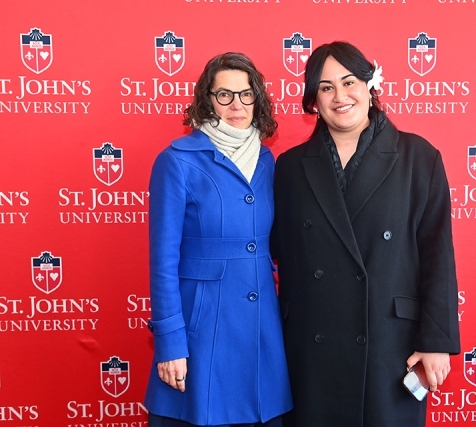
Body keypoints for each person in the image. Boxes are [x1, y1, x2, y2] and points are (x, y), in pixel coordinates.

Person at [271, 42, 460, 427]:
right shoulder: (290, 167)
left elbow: (438, 257)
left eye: (349, 82)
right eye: (326, 87)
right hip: (312, 346)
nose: (340, 96)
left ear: (370, 85)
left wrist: (436, 341)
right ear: (314, 100)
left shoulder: (419, 158)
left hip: (390, 344)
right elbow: (279, 253)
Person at [145, 52, 293, 427]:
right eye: (224, 95)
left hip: (261, 328)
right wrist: (170, 342)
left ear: (257, 98)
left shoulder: (267, 161)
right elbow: (163, 260)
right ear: (207, 100)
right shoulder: (176, 161)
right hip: (203, 329)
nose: (236, 105)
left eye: (246, 94)